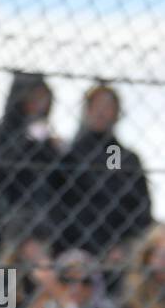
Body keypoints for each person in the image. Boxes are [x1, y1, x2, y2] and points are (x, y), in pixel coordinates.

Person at [0, 72, 63, 254]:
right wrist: (26, 139)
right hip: (6, 223)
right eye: (33, 96)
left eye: (43, 97)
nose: (39, 103)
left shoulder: (48, 136)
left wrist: (56, 150)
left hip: (45, 224)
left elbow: (62, 180)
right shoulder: (4, 132)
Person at [56, 84, 152, 266]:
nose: (101, 112)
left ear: (116, 113)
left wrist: (123, 244)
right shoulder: (68, 153)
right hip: (70, 247)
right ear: (87, 110)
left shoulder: (116, 153)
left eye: (108, 107)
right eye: (96, 105)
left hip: (114, 248)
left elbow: (127, 199)